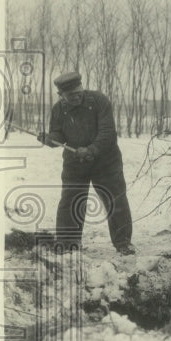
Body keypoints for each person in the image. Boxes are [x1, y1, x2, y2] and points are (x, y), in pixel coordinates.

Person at [38, 72, 135, 255]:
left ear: (82, 87)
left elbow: (107, 132)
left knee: (116, 199)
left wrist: (91, 149)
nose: (76, 97)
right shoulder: (58, 109)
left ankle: (123, 242)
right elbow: (58, 134)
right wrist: (50, 139)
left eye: (78, 92)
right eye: (71, 95)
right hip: (75, 162)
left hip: (106, 160)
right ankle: (68, 244)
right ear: (61, 95)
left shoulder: (99, 100)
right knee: (70, 201)